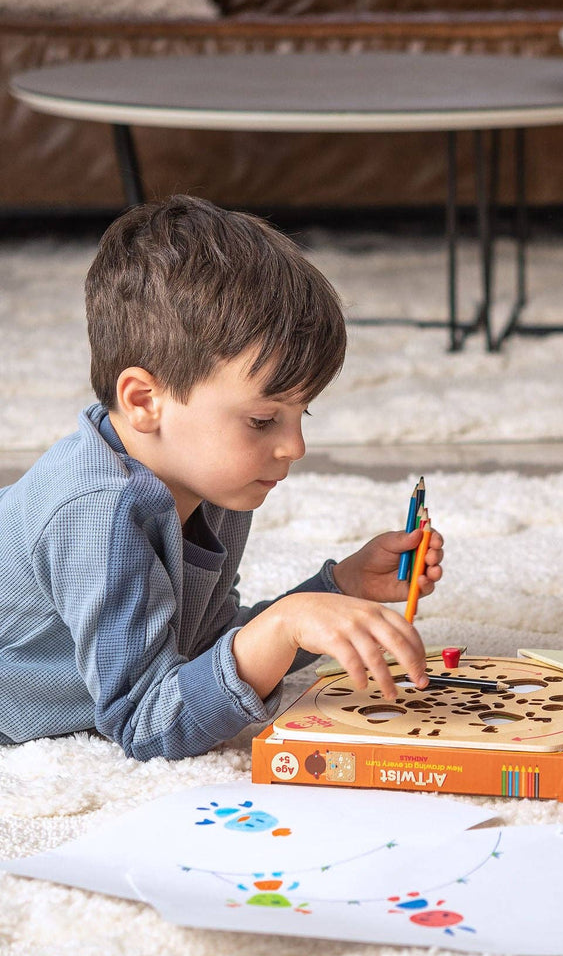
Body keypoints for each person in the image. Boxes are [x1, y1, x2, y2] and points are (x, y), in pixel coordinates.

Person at [0, 195, 444, 760]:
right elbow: (147, 720)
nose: (295, 446)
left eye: (298, 415)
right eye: (263, 420)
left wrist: (340, 589)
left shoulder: (211, 480)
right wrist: (284, 624)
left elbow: (203, 647)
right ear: (144, 400)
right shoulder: (98, 515)